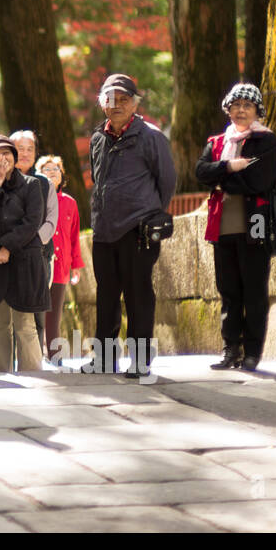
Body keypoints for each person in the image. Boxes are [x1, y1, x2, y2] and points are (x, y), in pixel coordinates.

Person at [89, 73, 176, 377]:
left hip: (137, 230)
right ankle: (103, 358)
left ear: (134, 103)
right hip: (103, 230)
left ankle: (139, 360)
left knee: (138, 294)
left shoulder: (151, 137)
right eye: (110, 99)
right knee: (106, 295)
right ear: (102, 104)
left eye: (123, 99)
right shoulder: (98, 138)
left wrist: (150, 214)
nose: (116, 105)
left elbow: (167, 182)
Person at [195, 82, 276, 372]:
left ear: (257, 110)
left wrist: (219, 178)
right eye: (236, 105)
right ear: (228, 109)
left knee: (254, 289)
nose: (241, 110)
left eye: (248, 105)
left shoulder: (265, 141)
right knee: (228, 290)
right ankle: (231, 349)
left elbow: (259, 181)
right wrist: (229, 168)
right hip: (222, 225)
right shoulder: (217, 142)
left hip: (255, 223)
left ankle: (253, 352)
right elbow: (200, 172)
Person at [0, 134, 48, 373]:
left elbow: (32, 221)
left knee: (25, 323)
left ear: (14, 158)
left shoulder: (32, 185)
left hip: (23, 261)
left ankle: (33, 373)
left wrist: (7, 247)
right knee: (0, 323)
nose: (2, 159)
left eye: (6, 154)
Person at [9, 130, 59, 358]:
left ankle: (34, 363)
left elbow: (51, 220)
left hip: (38, 254)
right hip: (7, 254)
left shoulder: (45, 183)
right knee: (9, 316)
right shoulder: (2, 180)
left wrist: (33, 242)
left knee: (36, 313)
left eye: (30, 149)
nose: (26, 153)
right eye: (20, 148)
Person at [36, 154, 85, 362]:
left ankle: (54, 354)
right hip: (38, 263)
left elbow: (75, 236)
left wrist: (76, 265)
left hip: (61, 264)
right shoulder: (35, 198)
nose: (52, 172)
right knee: (36, 311)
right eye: (46, 169)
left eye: (55, 169)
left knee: (54, 312)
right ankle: (35, 354)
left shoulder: (70, 203)